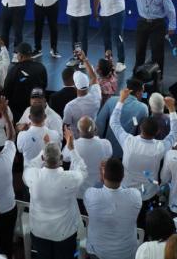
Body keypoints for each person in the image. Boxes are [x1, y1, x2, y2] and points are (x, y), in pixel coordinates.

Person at [109, 88, 177, 219]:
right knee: (143, 221)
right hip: (148, 195)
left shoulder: (128, 141)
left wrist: (121, 100)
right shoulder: (160, 147)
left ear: (140, 128)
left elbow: (114, 122)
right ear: (157, 132)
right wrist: (172, 109)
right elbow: (175, 133)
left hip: (126, 191)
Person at [23, 130, 86, 259]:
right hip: (64, 234)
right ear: (61, 158)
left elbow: (29, 166)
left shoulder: (32, 176)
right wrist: (72, 149)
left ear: (42, 159)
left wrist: (43, 150)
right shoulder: (70, 178)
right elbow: (83, 170)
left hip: (39, 231)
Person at [109, 0, 176, 73]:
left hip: (158, 24)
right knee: (139, 49)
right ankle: (137, 73)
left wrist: (172, 26)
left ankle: (157, 76)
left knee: (157, 51)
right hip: (143, 22)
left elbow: (170, 9)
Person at [83, 158, 142, 259]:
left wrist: (103, 179)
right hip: (127, 253)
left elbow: (99, 189)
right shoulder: (135, 196)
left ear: (103, 175)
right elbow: (124, 190)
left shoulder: (90, 195)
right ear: (123, 176)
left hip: (97, 253)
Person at [95, 78, 149, 158]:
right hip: (127, 152)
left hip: (107, 149)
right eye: (142, 91)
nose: (143, 94)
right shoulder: (143, 108)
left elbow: (99, 123)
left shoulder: (111, 100)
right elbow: (142, 132)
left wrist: (99, 144)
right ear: (138, 93)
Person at [95, 0, 130, 72]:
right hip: (104, 13)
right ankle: (109, 59)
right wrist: (95, 10)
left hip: (117, 12)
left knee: (118, 37)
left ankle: (121, 62)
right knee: (106, 38)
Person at [3, 42, 48, 119]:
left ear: (20, 56)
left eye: (17, 54)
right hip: (36, 110)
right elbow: (44, 85)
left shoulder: (14, 70)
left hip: (17, 112)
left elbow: (7, 90)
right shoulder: (41, 67)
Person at [61, 51, 102, 132]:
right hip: (92, 133)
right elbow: (94, 78)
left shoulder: (70, 106)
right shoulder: (96, 95)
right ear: (88, 84)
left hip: (76, 139)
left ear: (75, 86)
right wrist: (84, 59)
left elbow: (66, 127)